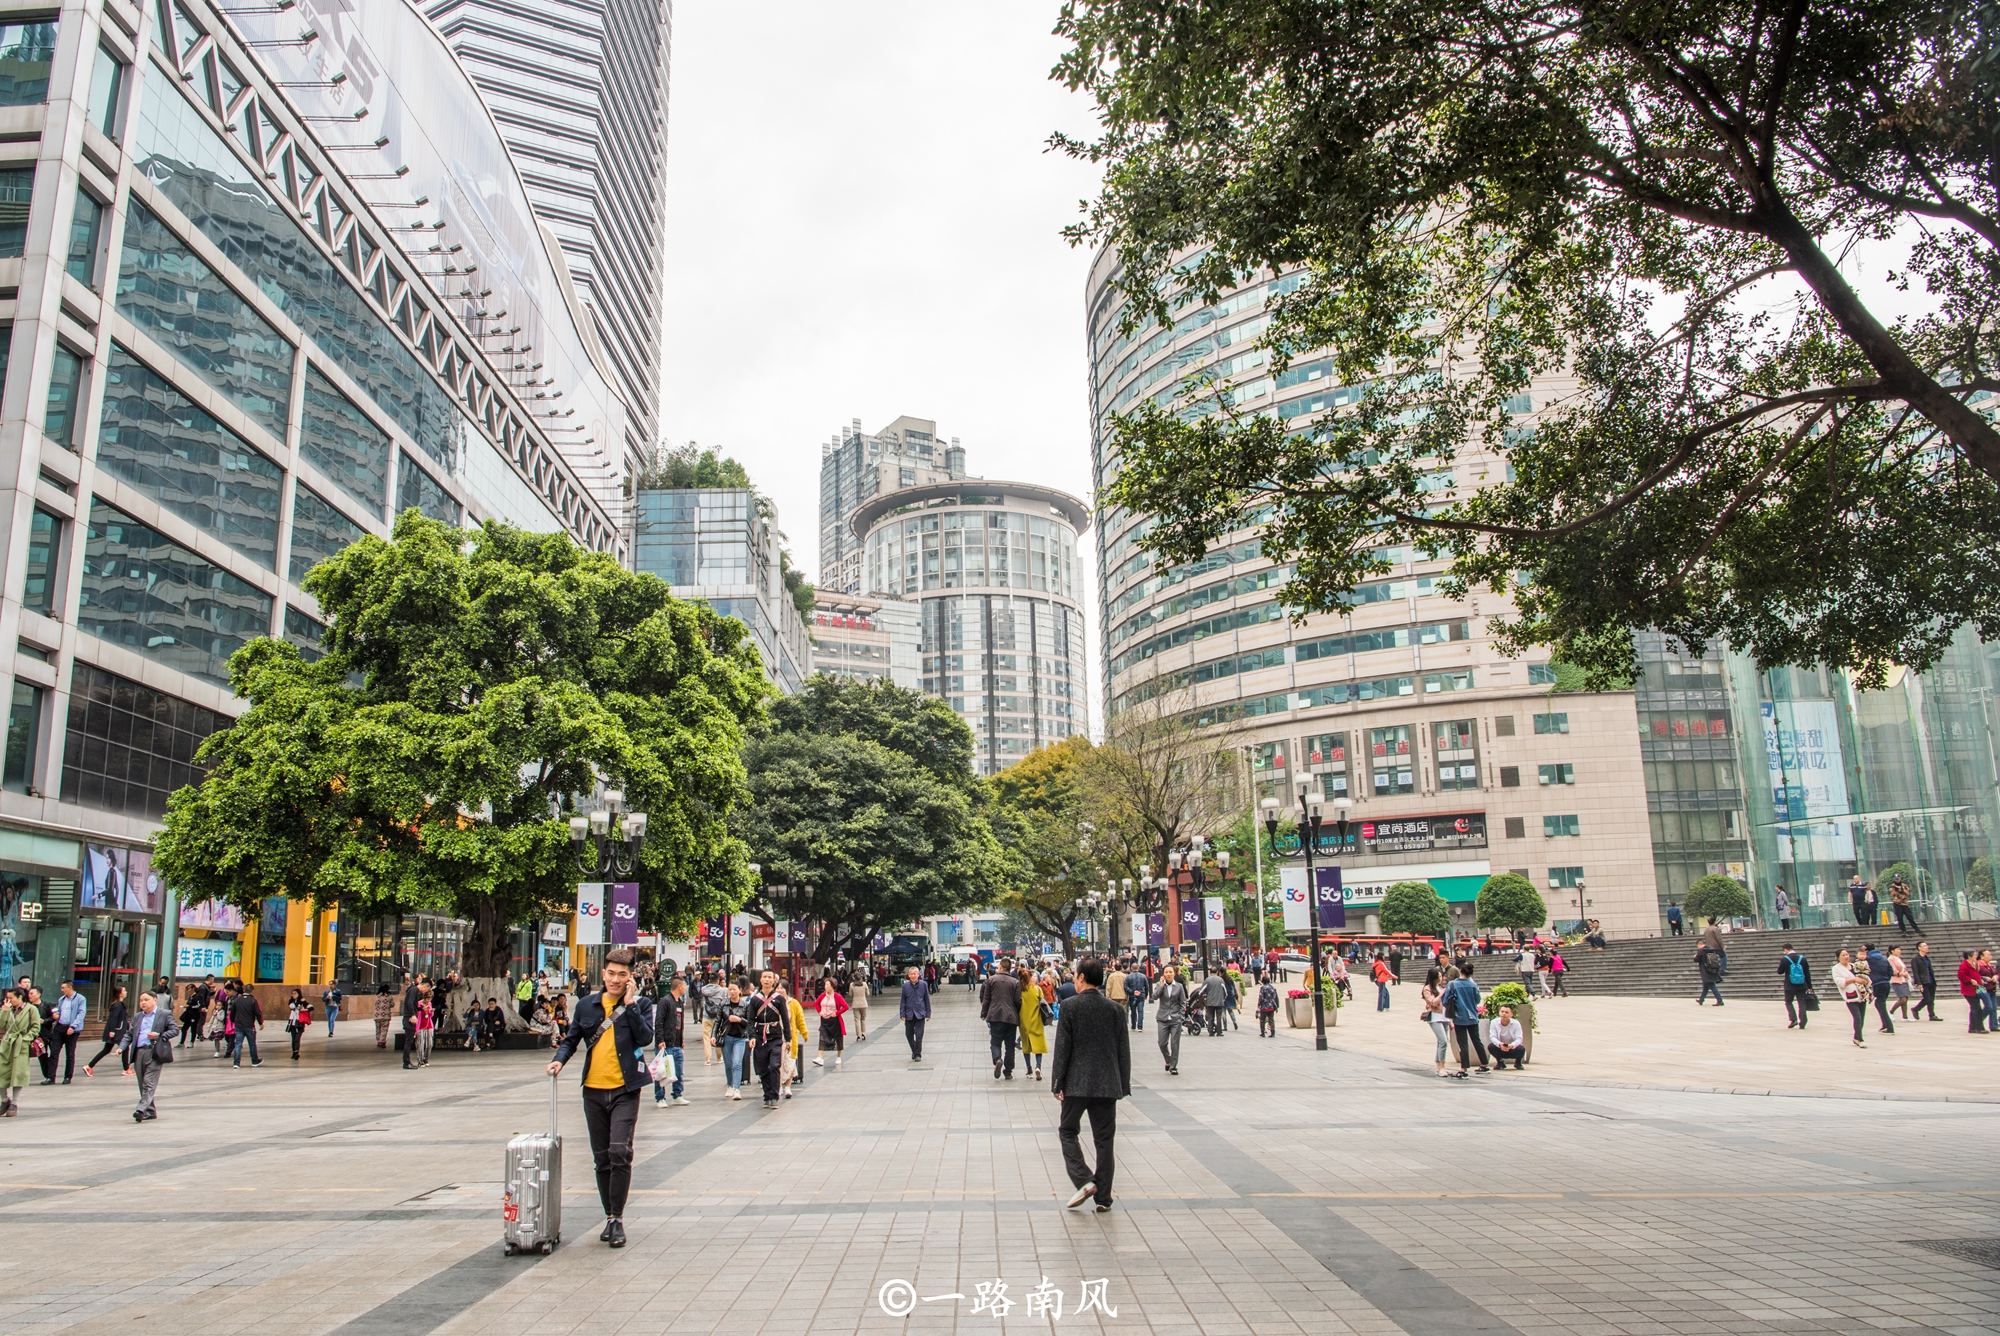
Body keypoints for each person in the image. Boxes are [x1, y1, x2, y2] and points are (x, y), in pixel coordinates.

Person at [547, 947, 653, 1248]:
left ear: (630, 977)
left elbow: (645, 1038)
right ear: (603, 974)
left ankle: (617, 1218)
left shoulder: (641, 1004)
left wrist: (630, 1005)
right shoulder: (586, 1006)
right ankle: (609, 1216)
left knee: (620, 1151)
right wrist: (559, 1060)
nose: (615, 980)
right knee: (602, 1158)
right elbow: (572, 1039)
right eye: (611, 974)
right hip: (593, 1091)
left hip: (625, 1089)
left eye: (622, 975)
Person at [1050, 957, 1131, 1213]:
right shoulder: (1115, 1010)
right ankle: (1104, 1197)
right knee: (1104, 1140)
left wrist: (1057, 1082)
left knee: (1067, 1131)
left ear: (1082, 978)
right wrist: (1123, 1084)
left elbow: (1062, 1049)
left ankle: (1084, 1179)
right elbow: (1123, 1051)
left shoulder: (1070, 1007)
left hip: (1076, 1083)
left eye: (1075, 976)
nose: (1073, 979)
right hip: (1108, 1084)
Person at [122, 990, 176, 1122]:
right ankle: (150, 1111)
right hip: (139, 1052)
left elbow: (174, 1030)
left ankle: (141, 1109)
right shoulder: (138, 1017)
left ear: (155, 1000)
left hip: (154, 1052)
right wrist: (121, 1048)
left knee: (149, 1083)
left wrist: (160, 1035)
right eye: (141, 1000)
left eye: (146, 1000)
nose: (143, 1002)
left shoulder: (164, 1014)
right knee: (142, 1083)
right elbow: (129, 1034)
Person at [748, 971, 791, 1109]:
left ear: (774, 981)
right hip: (760, 1037)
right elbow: (750, 1020)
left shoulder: (779, 999)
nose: (767, 980)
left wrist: (788, 1038)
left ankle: (774, 1095)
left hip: (775, 1037)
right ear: (760, 980)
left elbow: (785, 1019)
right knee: (763, 1069)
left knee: (774, 1065)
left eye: (769, 978)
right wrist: (752, 1036)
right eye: (764, 977)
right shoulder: (755, 999)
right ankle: (767, 1096)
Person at [1444, 963, 1489, 1076]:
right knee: (1477, 1041)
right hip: (1473, 1016)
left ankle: (1464, 1069)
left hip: (1460, 1016)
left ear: (1460, 971)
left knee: (1463, 1044)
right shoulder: (1474, 985)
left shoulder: (1453, 984)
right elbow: (1477, 1000)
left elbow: (1445, 1001)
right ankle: (1484, 1064)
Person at [979, 961, 1022, 1079]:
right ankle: (1008, 1071)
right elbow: (1018, 1001)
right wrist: (1017, 1013)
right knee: (1010, 1045)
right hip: (1011, 1017)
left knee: (995, 1042)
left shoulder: (991, 980)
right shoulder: (1015, 982)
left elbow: (986, 999)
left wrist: (984, 1013)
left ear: (1000, 967)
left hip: (995, 1015)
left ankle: (997, 1059)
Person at [2, 986, 39, 1115]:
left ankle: (15, 1103)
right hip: (7, 1044)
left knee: (18, 1074)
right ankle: (4, 1099)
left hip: (21, 1045)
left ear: (19, 997)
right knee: (2, 1072)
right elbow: (1, 1025)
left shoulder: (31, 1009)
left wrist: (25, 1039)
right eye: (7, 998)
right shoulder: (8, 1009)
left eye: (11, 998)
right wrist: (4, 1011)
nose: (8, 1000)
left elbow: (35, 1027)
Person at [82, 985, 130, 1078]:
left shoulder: (118, 1004)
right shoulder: (118, 1005)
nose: (126, 992)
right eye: (124, 991)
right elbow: (114, 1018)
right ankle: (126, 1069)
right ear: (120, 994)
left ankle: (89, 1066)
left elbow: (123, 1019)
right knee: (124, 1048)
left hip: (117, 1030)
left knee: (107, 1050)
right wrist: (112, 1030)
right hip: (117, 1031)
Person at [45, 979, 85, 1084]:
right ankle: (50, 1077)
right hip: (60, 1027)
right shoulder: (61, 999)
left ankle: (68, 1076)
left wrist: (73, 1026)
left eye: (63, 988)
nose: (61, 990)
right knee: (54, 1052)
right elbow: (59, 1011)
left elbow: (81, 1014)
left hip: (71, 1029)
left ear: (69, 987)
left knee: (70, 1054)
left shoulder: (80, 999)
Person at [715, 982, 750, 1098]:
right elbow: (717, 1021)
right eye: (730, 989)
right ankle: (730, 1085)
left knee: (737, 1063)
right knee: (728, 1064)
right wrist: (713, 1035)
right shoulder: (723, 1004)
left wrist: (739, 1019)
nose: (732, 992)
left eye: (734, 989)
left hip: (740, 1038)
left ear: (740, 990)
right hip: (727, 1037)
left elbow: (750, 1022)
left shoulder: (745, 1005)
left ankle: (736, 1088)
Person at [1830, 949, 1868, 1048]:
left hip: (1861, 993)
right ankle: (1860, 1039)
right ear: (1838, 957)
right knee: (1857, 1017)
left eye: (1847, 954)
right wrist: (1853, 979)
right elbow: (1839, 982)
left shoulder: (1854, 966)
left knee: (1862, 1018)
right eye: (1843, 955)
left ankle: (1856, 1037)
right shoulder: (1836, 968)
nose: (1846, 956)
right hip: (1850, 995)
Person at [1155, 965, 1187, 1075]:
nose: (1168, 974)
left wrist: (1181, 1016)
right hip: (1162, 1018)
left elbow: (1183, 1002)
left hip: (1175, 1018)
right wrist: (1161, 986)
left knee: (1175, 1044)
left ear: (1174, 973)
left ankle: (1173, 1066)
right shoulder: (1160, 985)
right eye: (1166, 972)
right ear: (1163, 974)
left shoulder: (1179, 986)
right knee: (1162, 1043)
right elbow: (1154, 997)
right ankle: (1168, 1060)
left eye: (1170, 972)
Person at [811, 975, 849, 1069]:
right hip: (824, 1020)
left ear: (833, 986)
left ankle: (839, 1057)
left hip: (835, 1021)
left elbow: (846, 1007)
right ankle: (820, 1057)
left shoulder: (837, 996)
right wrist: (819, 1012)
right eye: (825, 985)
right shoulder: (823, 995)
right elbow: (816, 1003)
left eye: (827, 985)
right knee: (822, 1038)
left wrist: (837, 1013)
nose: (825, 987)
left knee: (838, 1039)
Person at [1018, 967, 1049, 1080]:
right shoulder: (1037, 989)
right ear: (1030, 978)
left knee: (1026, 1046)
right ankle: (1038, 1066)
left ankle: (1029, 1069)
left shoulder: (1020, 990)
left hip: (1023, 1020)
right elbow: (1042, 1002)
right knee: (1038, 1044)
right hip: (1036, 1020)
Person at [1420, 968, 1451, 1077]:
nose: (1441, 978)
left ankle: (1439, 1066)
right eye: (1439, 976)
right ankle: (1441, 1066)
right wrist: (1442, 993)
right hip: (1435, 1017)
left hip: (1445, 1017)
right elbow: (1433, 1002)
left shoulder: (1440, 988)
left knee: (1441, 1042)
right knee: (1443, 1041)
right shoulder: (1427, 989)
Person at [898, 966, 931, 1062]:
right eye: (911, 974)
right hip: (909, 1014)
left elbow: (927, 1000)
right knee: (909, 1035)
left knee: (919, 1035)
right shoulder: (905, 986)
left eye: (914, 974)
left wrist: (928, 1013)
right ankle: (914, 1050)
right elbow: (903, 1001)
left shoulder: (923, 985)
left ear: (918, 975)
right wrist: (902, 1013)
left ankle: (917, 1054)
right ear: (908, 975)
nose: (913, 976)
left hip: (920, 1013)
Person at [1777, 944, 1813, 1030]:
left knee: (1788, 1002)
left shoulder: (1785, 959)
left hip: (1790, 985)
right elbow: (1807, 973)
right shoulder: (1803, 959)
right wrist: (1809, 986)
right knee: (1802, 1003)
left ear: (1786, 950)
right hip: (1802, 984)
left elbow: (1780, 971)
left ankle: (1793, 1019)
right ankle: (1803, 1022)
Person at [229, 982, 264, 1068]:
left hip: (239, 1025)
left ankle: (236, 1063)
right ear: (252, 991)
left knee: (238, 1044)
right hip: (249, 1025)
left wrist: (233, 1020)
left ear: (244, 990)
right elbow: (258, 1012)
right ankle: (254, 1061)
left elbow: (232, 1012)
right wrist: (260, 1023)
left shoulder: (237, 1000)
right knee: (252, 1044)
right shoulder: (253, 1001)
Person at [1864, 944, 1895, 1033]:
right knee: (1879, 1003)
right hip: (1886, 983)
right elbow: (1891, 971)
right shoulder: (1883, 958)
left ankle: (1889, 1027)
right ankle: (1884, 1024)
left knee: (1881, 1005)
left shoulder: (1868, 959)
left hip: (1877, 983)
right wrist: (1886, 979)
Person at [1487, 1005, 1526, 1070]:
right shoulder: (1494, 1022)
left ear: (1511, 1014)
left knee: (1521, 1049)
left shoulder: (1516, 1023)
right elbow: (1492, 1037)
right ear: (1499, 1013)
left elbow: (1519, 1038)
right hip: (1500, 1047)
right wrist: (1500, 1044)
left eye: (1506, 1012)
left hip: (1512, 1048)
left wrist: (1512, 1045)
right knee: (1491, 1046)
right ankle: (1500, 1062)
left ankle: (1518, 1063)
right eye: (1502, 1011)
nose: (1504, 1014)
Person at [399, 977, 423, 1069]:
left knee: (409, 1041)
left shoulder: (413, 990)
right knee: (408, 1041)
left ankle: (407, 1062)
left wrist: (420, 1009)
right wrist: (413, 1015)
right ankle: (406, 1062)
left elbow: (413, 1004)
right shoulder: (414, 990)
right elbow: (410, 1002)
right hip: (409, 1019)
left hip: (409, 1017)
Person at [1960, 950, 1987, 1032]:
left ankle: (1972, 1027)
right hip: (1968, 990)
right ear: (1969, 956)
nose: (1976, 957)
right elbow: (1961, 976)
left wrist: (1980, 979)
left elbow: (1976, 974)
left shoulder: (1974, 964)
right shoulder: (1964, 965)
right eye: (1975, 955)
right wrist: (1970, 980)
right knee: (1977, 1008)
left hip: (1975, 989)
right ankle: (1979, 1028)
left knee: (1974, 1008)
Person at [1913, 942, 1940, 1021]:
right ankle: (1916, 1009)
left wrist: (1935, 983)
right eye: (1924, 946)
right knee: (1927, 999)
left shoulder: (1926, 958)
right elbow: (1916, 972)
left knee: (1931, 999)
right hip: (1923, 982)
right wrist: (1918, 983)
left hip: (1931, 981)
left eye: (1927, 945)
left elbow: (1930, 971)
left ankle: (1932, 1015)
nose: (1927, 947)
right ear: (1919, 948)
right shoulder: (1915, 959)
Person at [411, 980, 436, 1066]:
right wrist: (422, 1010)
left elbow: (431, 1015)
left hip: (429, 1025)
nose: (428, 1001)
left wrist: (430, 1011)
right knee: (420, 1044)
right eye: (427, 999)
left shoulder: (430, 1004)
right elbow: (417, 1014)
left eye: (429, 999)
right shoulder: (418, 1004)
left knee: (429, 1044)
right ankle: (420, 1060)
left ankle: (426, 1059)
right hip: (420, 1026)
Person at [1887, 946, 1913, 1021]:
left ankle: (1905, 1016)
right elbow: (1893, 970)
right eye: (1897, 949)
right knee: (1902, 998)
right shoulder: (1890, 959)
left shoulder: (1897, 958)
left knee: (1906, 998)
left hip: (1903, 980)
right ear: (1892, 951)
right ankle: (1891, 1012)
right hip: (1896, 980)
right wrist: (1902, 974)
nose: (1899, 951)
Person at [285, 989, 311, 1061]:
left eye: (295, 993)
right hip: (293, 1022)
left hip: (300, 1022)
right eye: (292, 993)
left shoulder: (303, 1002)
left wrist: (305, 1010)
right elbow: (292, 1006)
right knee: (293, 1039)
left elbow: (311, 1007)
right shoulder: (292, 1001)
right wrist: (300, 1001)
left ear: (299, 994)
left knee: (297, 1038)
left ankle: (296, 1053)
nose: (293, 995)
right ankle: (294, 1052)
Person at [1201, 968, 1228, 1036]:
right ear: (1217, 972)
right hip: (1219, 1001)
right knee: (1219, 1017)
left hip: (1210, 1001)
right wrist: (1223, 998)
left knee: (1210, 1017)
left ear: (1210, 972)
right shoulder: (1220, 980)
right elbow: (1225, 991)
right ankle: (1219, 1032)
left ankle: (1211, 1031)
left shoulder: (1207, 980)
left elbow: (1201, 991)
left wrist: (1204, 996)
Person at [847, 969, 869, 1042]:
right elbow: (867, 993)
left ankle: (858, 1035)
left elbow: (850, 994)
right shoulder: (864, 984)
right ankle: (863, 1033)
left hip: (855, 1004)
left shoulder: (852, 985)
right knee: (863, 1019)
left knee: (856, 1020)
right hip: (863, 1004)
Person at [1125, 966, 1148, 1031]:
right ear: (1138, 968)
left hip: (1132, 996)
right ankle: (1140, 1026)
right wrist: (1146, 994)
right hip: (1141, 995)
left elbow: (1126, 987)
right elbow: (1146, 986)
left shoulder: (1128, 977)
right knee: (1140, 1011)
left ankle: (1133, 1025)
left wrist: (1132, 991)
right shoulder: (1143, 976)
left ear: (1131, 968)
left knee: (1133, 1011)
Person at [373, 985, 394, 1049]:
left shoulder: (377, 996)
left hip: (377, 1015)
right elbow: (392, 1004)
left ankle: (378, 1040)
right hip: (385, 1015)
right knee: (384, 1029)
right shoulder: (389, 996)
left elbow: (375, 1004)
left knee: (378, 1029)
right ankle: (382, 1041)